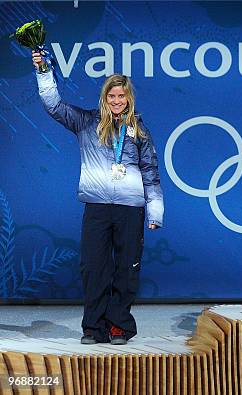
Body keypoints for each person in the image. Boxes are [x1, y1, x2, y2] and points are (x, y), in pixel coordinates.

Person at [32, 51, 164, 345]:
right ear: (104, 98)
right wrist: (43, 69)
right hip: (97, 207)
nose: (117, 101)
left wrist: (155, 212)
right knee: (93, 268)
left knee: (127, 268)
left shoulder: (140, 131)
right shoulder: (85, 122)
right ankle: (93, 327)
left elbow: (151, 172)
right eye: (111, 96)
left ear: (129, 99)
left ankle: (119, 326)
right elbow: (53, 105)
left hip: (131, 209)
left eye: (122, 96)